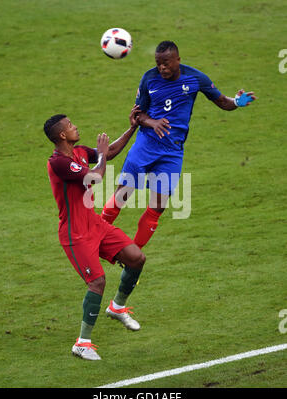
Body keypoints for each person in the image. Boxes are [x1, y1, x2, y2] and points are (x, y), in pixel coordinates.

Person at [101, 41, 256, 249]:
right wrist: (153, 123)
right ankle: (96, 234)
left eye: (166, 63)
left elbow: (221, 101)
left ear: (178, 60)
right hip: (146, 145)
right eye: (158, 63)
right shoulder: (149, 79)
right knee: (123, 193)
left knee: (158, 206)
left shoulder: (195, 78)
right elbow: (137, 115)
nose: (162, 68)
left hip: (172, 151)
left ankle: (133, 254)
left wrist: (237, 102)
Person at [44, 105, 146, 361]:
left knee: (136, 258)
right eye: (69, 125)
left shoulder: (78, 151)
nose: (74, 126)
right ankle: (82, 342)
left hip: (94, 224)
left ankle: (117, 307)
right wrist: (100, 155)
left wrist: (132, 126)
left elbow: (108, 153)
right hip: (75, 234)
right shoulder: (59, 162)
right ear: (62, 136)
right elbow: (95, 178)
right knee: (97, 282)